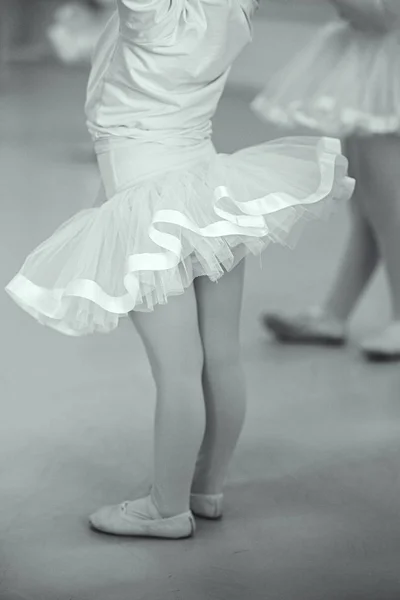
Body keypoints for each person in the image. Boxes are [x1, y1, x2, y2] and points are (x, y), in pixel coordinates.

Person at [5, 0, 353, 539]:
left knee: (177, 370)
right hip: (205, 185)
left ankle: (165, 509)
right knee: (222, 356)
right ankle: (205, 488)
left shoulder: (153, 15)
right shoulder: (231, 9)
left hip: (145, 203)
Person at [252, 0, 400, 362]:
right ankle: (334, 313)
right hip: (375, 58)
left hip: (388, 58)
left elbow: (385, 15)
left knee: (388, 203)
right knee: (367, 203)